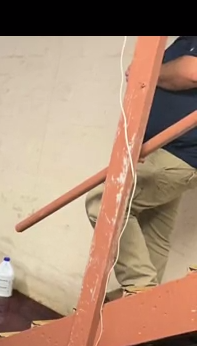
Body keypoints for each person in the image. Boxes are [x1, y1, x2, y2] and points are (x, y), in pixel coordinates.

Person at [85, 36, 197, 299]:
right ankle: (143, 309)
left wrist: (147, 71)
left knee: (102, 201)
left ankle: (140, 291)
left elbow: (192, 73)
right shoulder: (184, 40)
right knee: (152, 230)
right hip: (162, 153)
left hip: (177, 155)